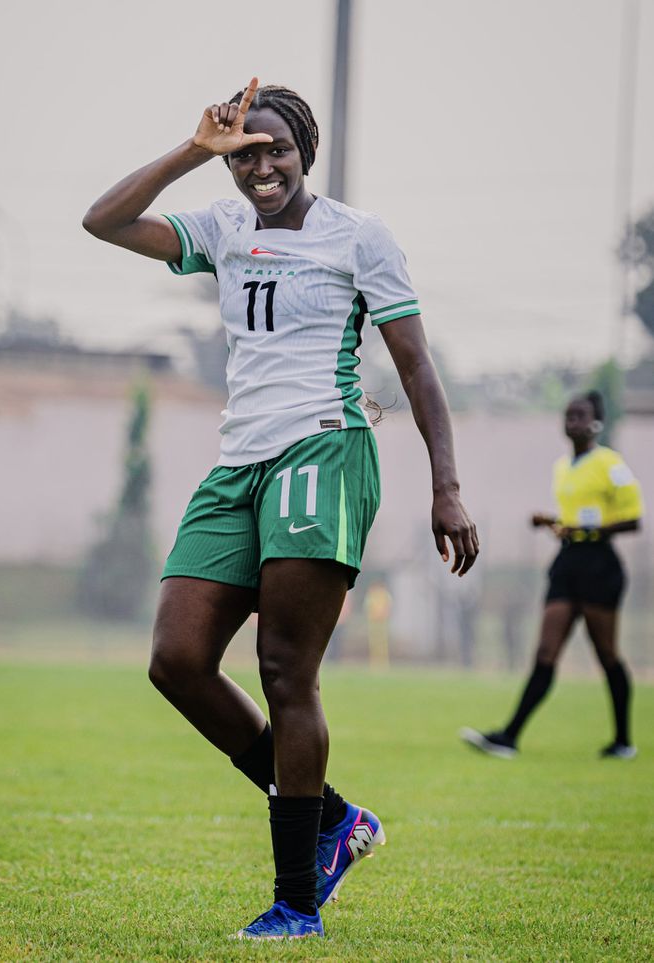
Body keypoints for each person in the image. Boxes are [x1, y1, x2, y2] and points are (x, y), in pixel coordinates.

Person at [84, 77, 478, 941]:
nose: (261, 166)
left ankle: (297, 902)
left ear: (306, 153)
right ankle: (333, 816)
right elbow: (103, 221)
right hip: (238, 463)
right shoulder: (222, 229)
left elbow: (417, 368)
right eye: (245, 152)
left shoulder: (358, 236)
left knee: (283, 670)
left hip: (323, 449)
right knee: (176, 660)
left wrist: (446, 485)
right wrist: (195, 148)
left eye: (277, 151)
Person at [461, 390, 643, 761]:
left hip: (599, 565)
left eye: (580, 415)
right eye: (568, 415)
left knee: (606, 653)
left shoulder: (611, 464)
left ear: (596, 422)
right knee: (546, 650)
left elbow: (633, 519)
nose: (572, 421)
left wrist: (586, 529)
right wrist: (552, 522)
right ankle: (508, 737)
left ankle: (623, 741)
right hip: (568, 563)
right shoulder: (563, 467)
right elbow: (574, 521)